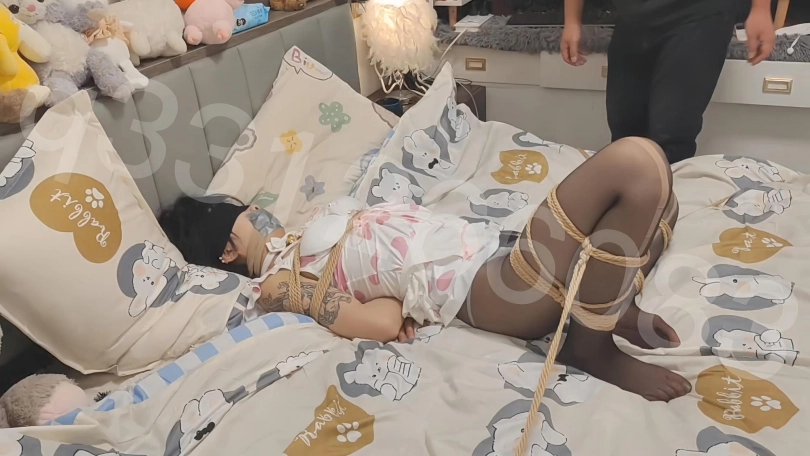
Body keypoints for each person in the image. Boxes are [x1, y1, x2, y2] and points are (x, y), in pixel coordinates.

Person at [160, 137, 689, 402]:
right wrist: (394, 295)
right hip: (489, 288)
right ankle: (591, 347)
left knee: (663, 198)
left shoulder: (305, 232)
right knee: (636, 165)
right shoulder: (278, 283)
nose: (256, 210)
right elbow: (379, 323)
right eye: (243, 213)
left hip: (491, 247)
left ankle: (601, 304)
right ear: (226, 249)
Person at [561, 0, 776, 164]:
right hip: (633, 15)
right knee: (625, 130)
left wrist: (760, 10)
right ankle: (628, 204)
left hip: (700, 11)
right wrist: (571, 21)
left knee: (670, 134)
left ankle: (663, 206)